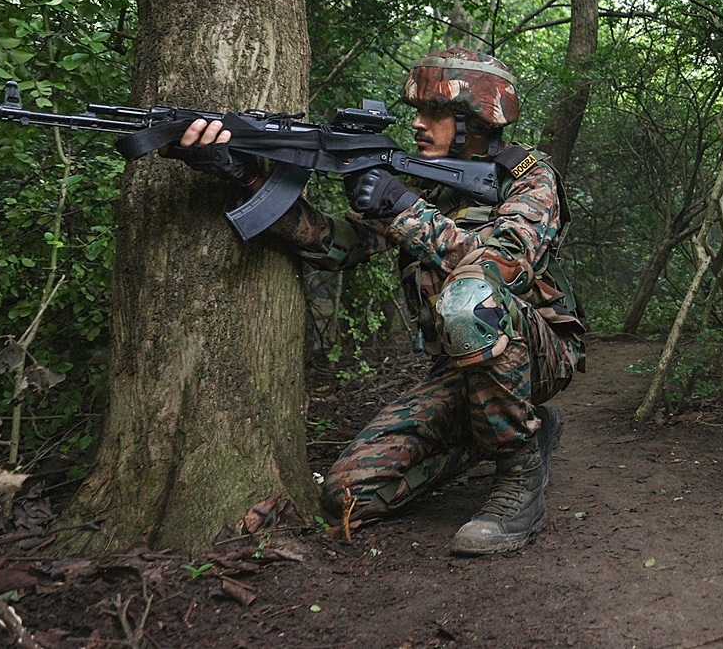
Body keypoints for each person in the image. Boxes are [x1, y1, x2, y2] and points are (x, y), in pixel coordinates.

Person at [171, 47, 585, 555]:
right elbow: (336, 245)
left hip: (538, 352)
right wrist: (246, 178)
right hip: (459, 372)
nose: (417, 123)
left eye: (433, 112)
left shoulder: (529, 177)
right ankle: (517, 433)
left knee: (470, 299)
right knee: (348, 496)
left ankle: (519, 478)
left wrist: (401, 209)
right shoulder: (417, 181)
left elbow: (505, 265)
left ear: (474, 120)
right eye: (417, 110)